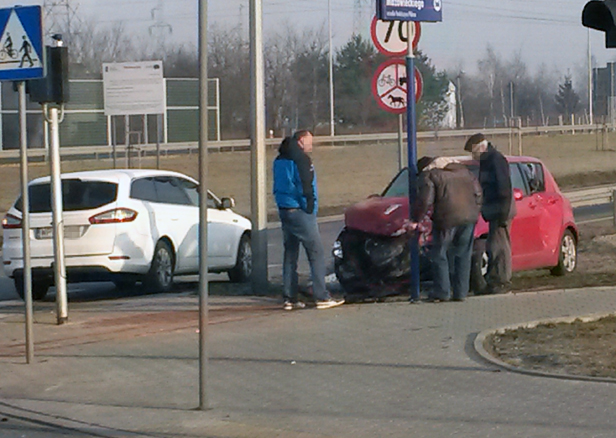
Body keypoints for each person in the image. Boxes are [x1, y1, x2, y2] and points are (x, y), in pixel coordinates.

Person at [273, 130, 345, 310]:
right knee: (316, 253)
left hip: (284, 209)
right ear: (300, 141)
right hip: (300, 212)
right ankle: (322, 296)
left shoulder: (280, 159)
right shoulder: (302, 160)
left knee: (290, 254)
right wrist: (310, 207)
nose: (311, 145)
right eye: (309, 141)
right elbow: (305, 186)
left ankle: (289, 298)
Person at [413, 156, 483, 302]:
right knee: (463, 254)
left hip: (446, 219)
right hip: (469, 218)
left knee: (439, 254)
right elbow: (478, 194)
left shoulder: (430, 175)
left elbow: (425, 200)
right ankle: (461, 293)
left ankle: (442, 292)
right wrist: (475, 212)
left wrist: (416, 219)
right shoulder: (466, 172)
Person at [464, 133, 516, 295]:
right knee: (495, 245)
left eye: (474, 152)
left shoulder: (495, 160)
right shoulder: (489, 161)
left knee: (498, 246)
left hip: (500, 209)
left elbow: (504, 188)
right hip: (496, 209)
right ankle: (496, 278)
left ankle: (500, 280)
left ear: (481, 147)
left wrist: (501, 213)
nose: (473, 157)